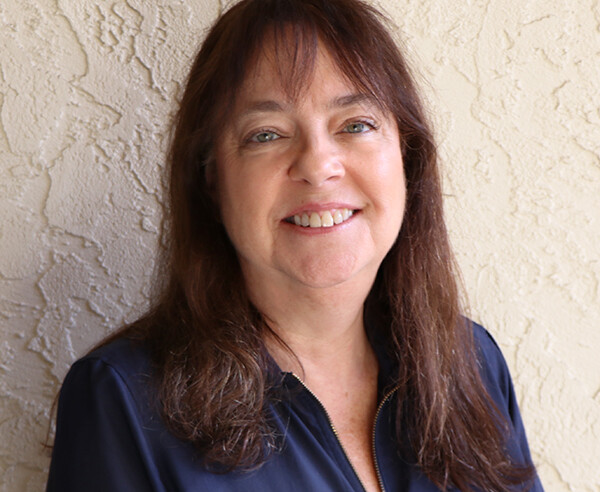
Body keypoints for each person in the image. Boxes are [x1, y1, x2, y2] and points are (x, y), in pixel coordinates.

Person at [46, 0, 544, 490]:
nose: (317, 164)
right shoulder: (123, 399)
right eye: (266, 134)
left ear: (406, 157)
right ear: (211, 180)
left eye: (356, 124)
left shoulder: (471, 362)